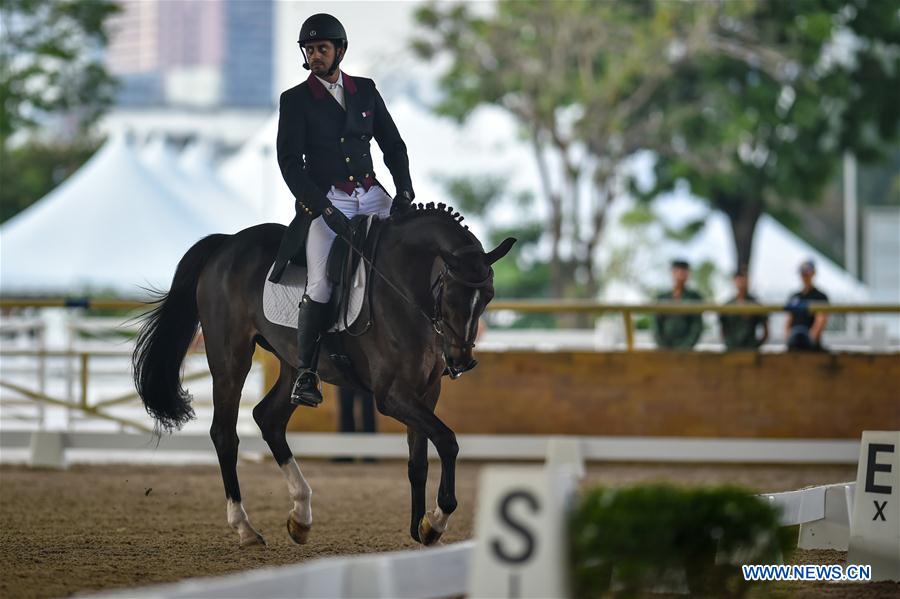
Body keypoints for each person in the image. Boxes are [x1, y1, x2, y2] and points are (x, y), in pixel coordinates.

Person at [267, 13, 415, 407]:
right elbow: (289, 163)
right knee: (319, 283)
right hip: (327, 198)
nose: (314, 55)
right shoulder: (295, 100)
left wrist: (404, 189)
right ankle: (306, 373)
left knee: (408, 254)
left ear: (340, 51)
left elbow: (393, 145)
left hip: (371, 194)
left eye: (321, 48)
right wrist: (323, 208)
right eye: (309, 49)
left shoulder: (365, 90)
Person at [652, 259, 704, 349]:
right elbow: (656, 325)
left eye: (684, 271)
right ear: (672, 273)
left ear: (688, 274)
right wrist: (663, 346)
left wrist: (685, 347)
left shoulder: (695, 297)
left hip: (687, 348)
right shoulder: (662, 297)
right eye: (677, 271)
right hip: (664, 348)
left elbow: (696, 326)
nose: (681, 274)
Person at [719, 265, 768, 350]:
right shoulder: (727, 305)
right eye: (739, 279)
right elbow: (723, 329)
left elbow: (766, 330)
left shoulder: (756, 304)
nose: (742, 282)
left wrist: (756, 345)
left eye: (744, 279)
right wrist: (729, 343)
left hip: (751, 349)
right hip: (732, 349)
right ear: (734, 281)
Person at [785, 259, 829, 351]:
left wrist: (811, 340)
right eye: (802, 274)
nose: (804, 277)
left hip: (810, 341)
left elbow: (820, 320)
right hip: (795, 339)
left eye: (806, 274)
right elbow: (788, 320)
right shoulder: (795, 296)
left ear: (813, 273)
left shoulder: (820, 296)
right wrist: (788, 340)